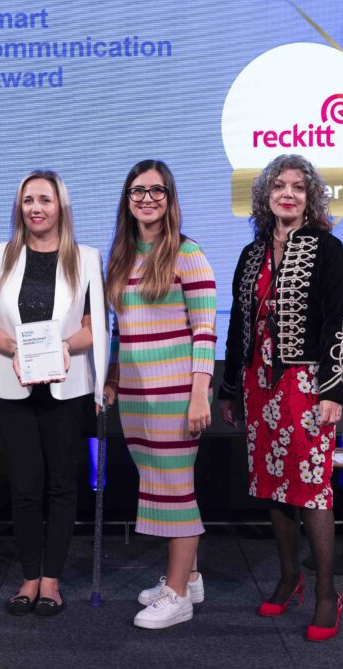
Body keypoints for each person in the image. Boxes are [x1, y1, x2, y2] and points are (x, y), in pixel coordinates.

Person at [219, 153, 343, 642]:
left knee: (312, 485)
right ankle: (289, 577)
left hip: (306, 382)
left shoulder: (328, 250)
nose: (288, 194)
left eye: (298, 186)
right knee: (273, 484)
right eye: (279, 186)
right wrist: (229, 386)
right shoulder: (251, 254)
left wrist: (332, 390)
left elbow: (338, 322)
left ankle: (325, 593)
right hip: (258, 382)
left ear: (310, 197)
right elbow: (237, 324)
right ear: (266, 196)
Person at [0, 170, 106, 617]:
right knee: (25, 486)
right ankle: (29, 578)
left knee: (63, 484)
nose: (35, 208)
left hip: (68, 387)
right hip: (13, 385)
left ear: (61, 206)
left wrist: (62, 348)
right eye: (28, 200)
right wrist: (15, 349)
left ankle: (52, 580)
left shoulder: (85, 258)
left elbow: (93, 327)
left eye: (44, 199)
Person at [102, 160, 216, 630]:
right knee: (158, 485)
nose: (146, 199)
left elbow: (206, 331)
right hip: (134, 394)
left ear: (169, 199)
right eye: (137, 191)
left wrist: (199, 394)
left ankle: (176, 597)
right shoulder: (122, 258)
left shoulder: (188, 254)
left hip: (174, 395)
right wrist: (110, 377)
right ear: (127, 200)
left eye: (156, 191)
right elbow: (119, 331)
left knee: (175, 492)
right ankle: (187, 577)